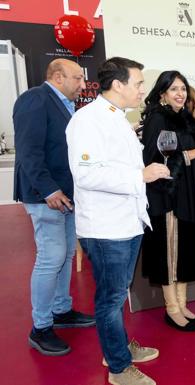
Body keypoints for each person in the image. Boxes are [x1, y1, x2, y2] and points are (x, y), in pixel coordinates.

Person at [66, 57, 168, 385]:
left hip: (125, 222)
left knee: (117, 292)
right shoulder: (88, 120)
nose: (143, 89)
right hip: (106, 226)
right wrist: (140, 174)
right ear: (118, 85)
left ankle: (117, 348)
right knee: (110, 298)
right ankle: (119, 368)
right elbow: (85, 174)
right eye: (138, 83)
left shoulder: (117, 118)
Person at [13, 58, 94, 356]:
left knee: (66, 254)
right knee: (52, 257)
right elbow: (29, 152)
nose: (83, 85)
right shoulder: (35, 99)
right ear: (58, 77)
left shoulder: (66, 106)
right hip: (46, 195)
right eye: (77, 78)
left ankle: (61, 310)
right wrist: (48, 189)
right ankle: (41, 327)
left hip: (68, 195)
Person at [141, 71, 195, 331]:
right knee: (170, 253)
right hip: (167, 197)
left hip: (188, 195)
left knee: (184, 252)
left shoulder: (184, 117)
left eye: (183, 88)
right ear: (162, 93)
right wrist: (194, 153)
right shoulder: (157, 119)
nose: (180, 93)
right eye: (173, 89)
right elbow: (154, 161)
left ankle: (182, 305)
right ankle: (171, 309)